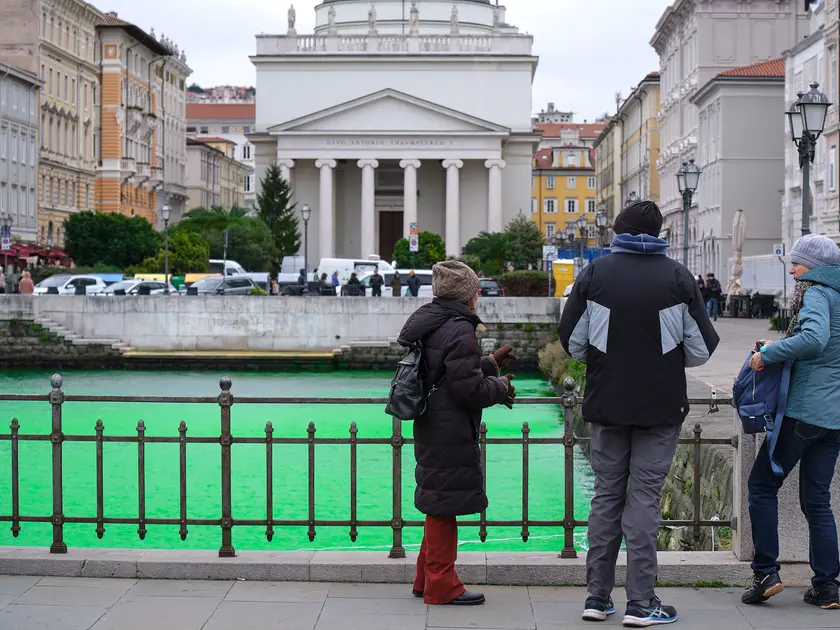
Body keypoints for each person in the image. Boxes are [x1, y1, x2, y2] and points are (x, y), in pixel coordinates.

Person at [559, 200, 719, 627]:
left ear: (619, 231)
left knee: (606, 495)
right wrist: (662, 359)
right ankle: (641, 603)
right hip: (660, 404)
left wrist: (605, 358)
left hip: (606, 401)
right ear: (659, 232)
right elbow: (702, 347)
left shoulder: (594, 274)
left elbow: (571, 340)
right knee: (645, 499)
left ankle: (596, 597)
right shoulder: (677, 277)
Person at [399, 260, 517, 606]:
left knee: (438, 500)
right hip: (449, 427)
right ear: (469, 295)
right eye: (476, 290)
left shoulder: (433, 321)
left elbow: (449, 373)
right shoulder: (460, 328)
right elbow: (468, 391)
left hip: (431, 423)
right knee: (442, 507)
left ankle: (425, 578)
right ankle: (441, 586)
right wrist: (499, 386)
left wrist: (490, 363)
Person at [743, 234, 840, 609]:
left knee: (761, 485)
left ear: (815, 266)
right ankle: (827, 587)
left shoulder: (817, 291)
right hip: (833, 417)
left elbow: (814, 338)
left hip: (803, 411)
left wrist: (768, 353)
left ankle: (766, 572)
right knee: (817, 501)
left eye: (798, 263)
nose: (793, 268)